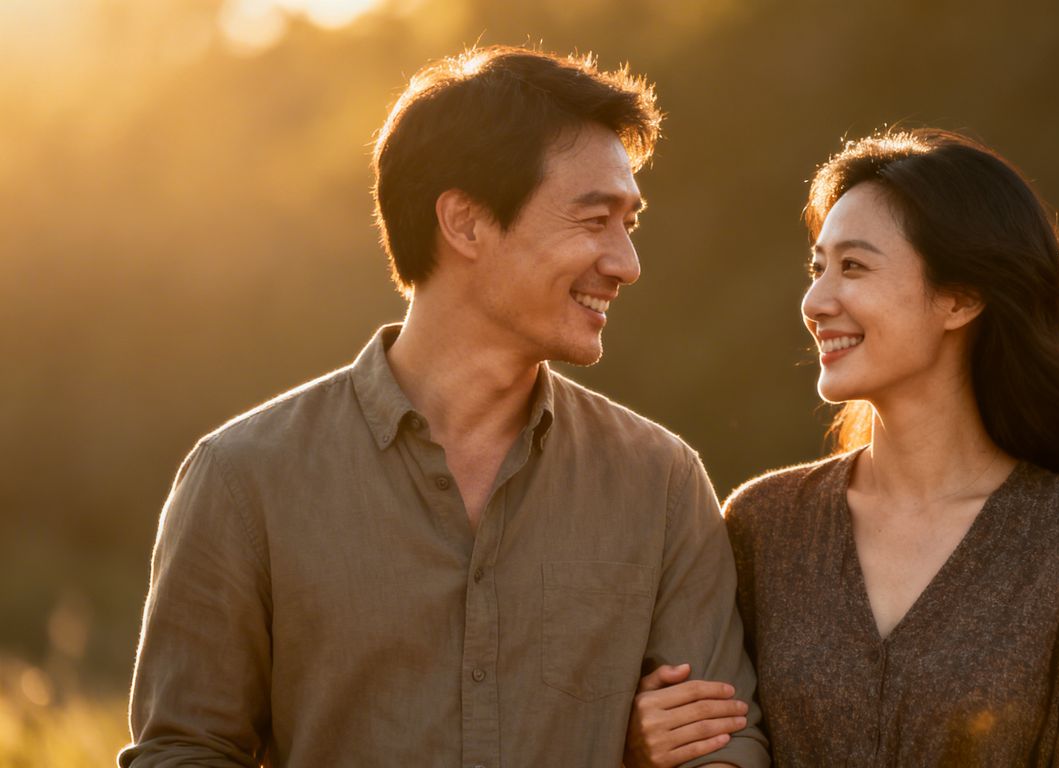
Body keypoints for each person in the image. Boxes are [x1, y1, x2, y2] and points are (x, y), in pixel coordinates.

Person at [119, 46, 768, 768]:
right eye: (594, 220)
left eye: (630, 224)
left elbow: (726, 745)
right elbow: (183, 751)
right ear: (464, 223)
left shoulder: (661, 482)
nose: (626, 262)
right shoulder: (242, 480)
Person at [626, 129, 1059, 766]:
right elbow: (708, 740)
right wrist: (640, 743)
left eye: (853, 267)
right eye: (817, 268)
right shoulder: (763, 525)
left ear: (961, 297)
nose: (814, 302)